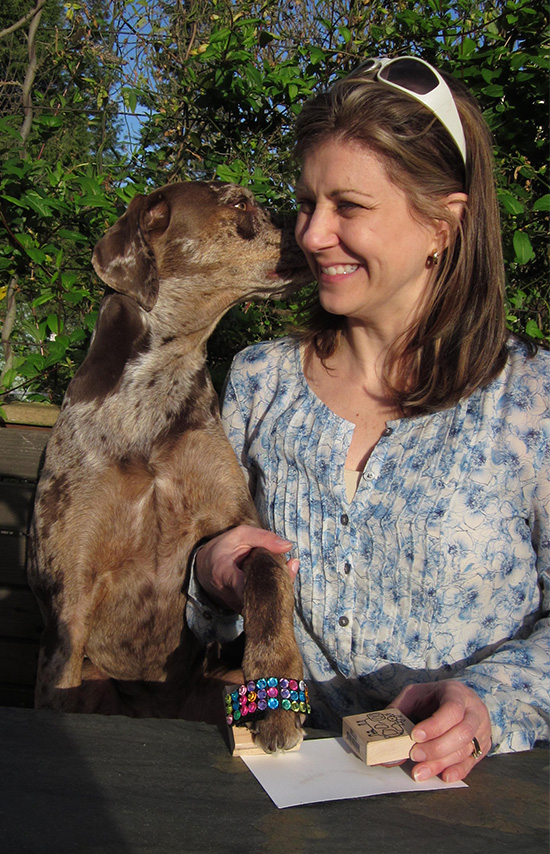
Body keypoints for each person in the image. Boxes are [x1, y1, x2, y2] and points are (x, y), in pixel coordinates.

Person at [186, 56, 549, 783]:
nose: (312, 234)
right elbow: (203, 601)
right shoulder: (262, 381)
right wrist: (207, 572)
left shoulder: (531, 400)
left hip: (483, 804)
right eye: (307, 202)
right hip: (284, 785)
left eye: (348, 206)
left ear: (445, 222)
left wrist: (489, 703)